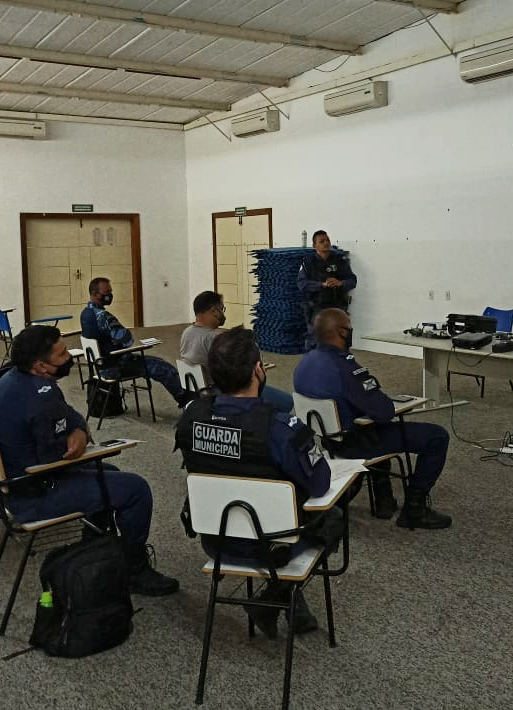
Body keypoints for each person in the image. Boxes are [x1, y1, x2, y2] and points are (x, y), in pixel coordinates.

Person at [0, 325, 178, 596]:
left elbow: (69, 413)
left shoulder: (14, 378)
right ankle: (134, 569)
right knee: (135, 489)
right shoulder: (41, 396)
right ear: (41, 366)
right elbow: (58, 454)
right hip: (34, 491)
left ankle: (96, 548)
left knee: (109, 471)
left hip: (14, 483)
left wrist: (78, 429)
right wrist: (82, 436)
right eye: (62, 354)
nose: (70, 357)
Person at [176, 326, 335, 637]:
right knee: (333, 518)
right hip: (273, 544)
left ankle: (281, 598)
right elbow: (320, 483)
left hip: (215, 538)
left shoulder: (190, 418)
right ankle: (272, 599)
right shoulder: (280, 429)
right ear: (258, 370)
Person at [293, 308, 452, 529]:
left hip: (327, 440)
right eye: (348, 327)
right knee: (436, 436)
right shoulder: (345, 368)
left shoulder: (305, 363)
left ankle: (384, 501)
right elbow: (384, 411)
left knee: (377, 428)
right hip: (354, 443)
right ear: (341, 331)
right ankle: (414, 510)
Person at [80, 277, 190, 408]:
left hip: (100, 366)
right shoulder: (103, 316)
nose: (109, 294)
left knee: (155, 363)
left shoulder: (85, 313)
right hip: (114, 365)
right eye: (107, 291)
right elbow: (127, 340)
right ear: (95, 294)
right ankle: (187, 402)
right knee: (162, 368)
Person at [179, 290, 293, 414]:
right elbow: (234, 372)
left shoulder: (187, 332)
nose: (222, 313)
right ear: (213, 310)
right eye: (221, 309)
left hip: (198, 390)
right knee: (287, 402)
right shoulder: (216, 339)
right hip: (221, 391)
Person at [297, 230, 356, 351]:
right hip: (317, 308)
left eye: (327, 240)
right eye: (322, 241)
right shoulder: (308, 263)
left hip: (338, 307)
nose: (326, 243)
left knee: (342, 339)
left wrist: (341, 283)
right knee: (315, 341)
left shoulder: (340, 260)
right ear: (315, 245)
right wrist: (322, 285)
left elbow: (352, 281)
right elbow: (302, 284)